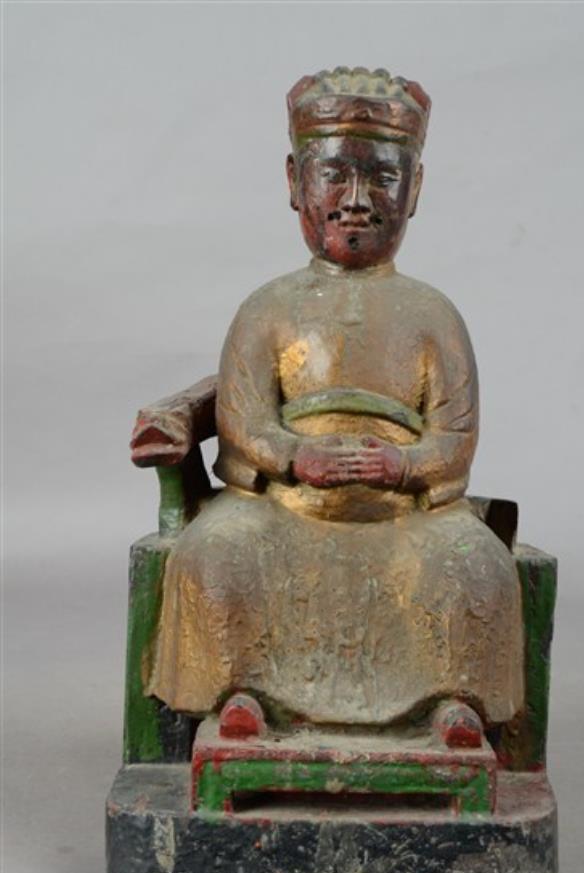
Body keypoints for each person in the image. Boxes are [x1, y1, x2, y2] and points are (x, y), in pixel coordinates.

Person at [143, 68, 523, 740]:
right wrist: (296, 456)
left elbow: (455, 439)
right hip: (284, 506)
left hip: (402, 513)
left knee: (477, 569)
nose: (355, 200)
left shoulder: (433, 315)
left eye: (381, 178)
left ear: (414, 189)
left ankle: (448, 703)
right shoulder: (267, 308)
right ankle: (243, 695)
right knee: (215, 556)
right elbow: (242, 419)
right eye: (334, 175)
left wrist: (401, 466)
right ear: (295, 183)